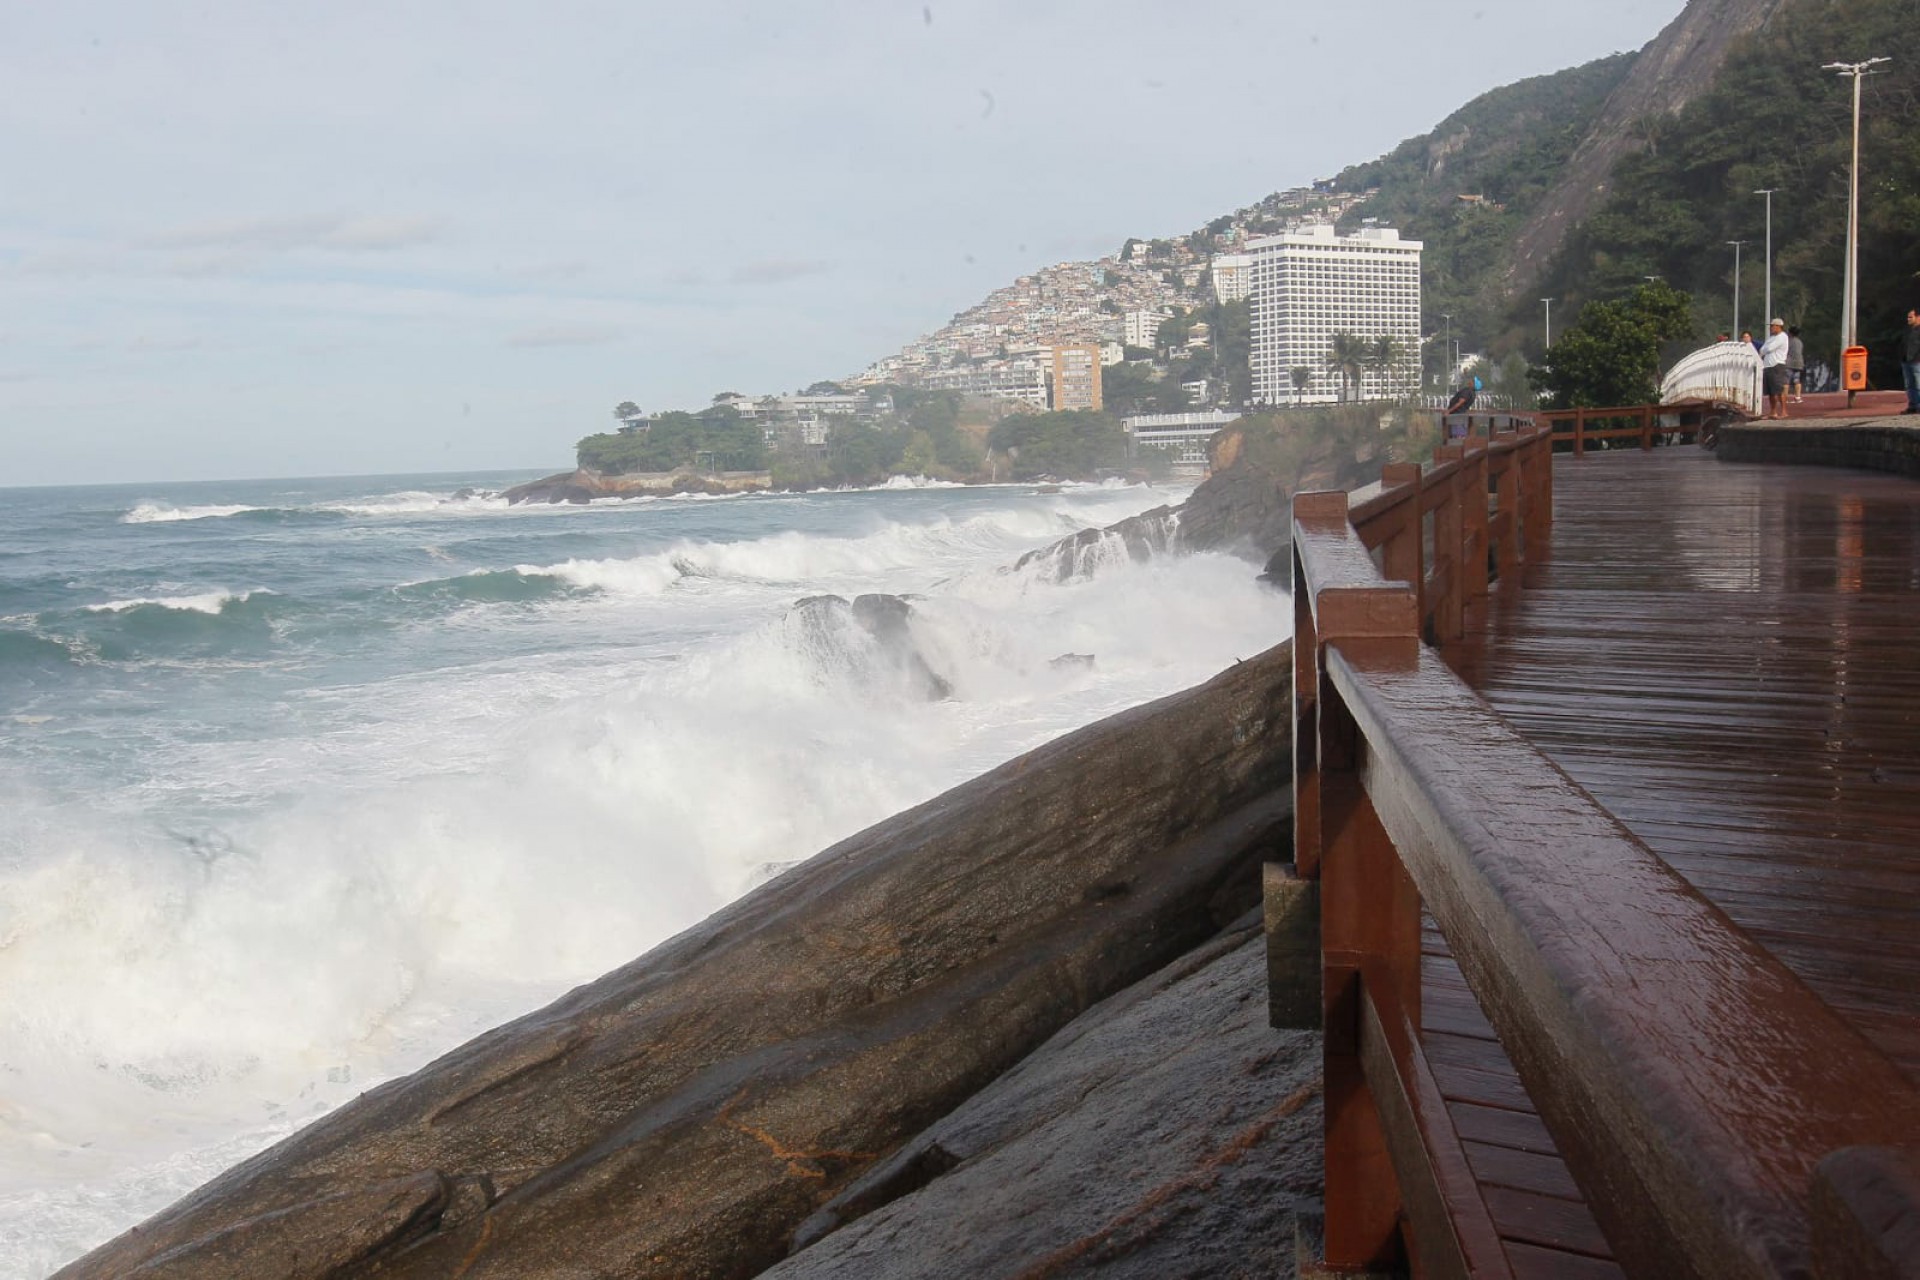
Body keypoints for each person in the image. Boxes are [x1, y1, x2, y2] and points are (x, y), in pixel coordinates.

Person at [1759, 318, 1790, 419]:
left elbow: (1769, 348)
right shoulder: (1771, 338)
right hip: (1767, 366)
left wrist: (1765, 350)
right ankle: (1773, 412)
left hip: (1777, 365)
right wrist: (1764, 350)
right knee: (1771, 392)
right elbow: (1762, 349)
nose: (1771, 328)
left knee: (1779, 390)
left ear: (1779, 326)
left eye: (1773, 326)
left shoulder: (1782, 337)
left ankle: (1784, 411)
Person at [1904, 309, 1920, 415]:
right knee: (1909, 385)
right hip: (1906, 361)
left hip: (1917, 361)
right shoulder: (1908, 330)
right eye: (1908, 317)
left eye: (1911, 317)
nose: (1908, 319)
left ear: (1918, 317)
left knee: (1918, 384)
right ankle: (1912, 405)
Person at [1786, 326, 1805, 403]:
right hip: (1799, 363)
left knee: (1786, 381)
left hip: (1789, 364)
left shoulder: (1788, 341)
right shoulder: (1800, 342)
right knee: (1797, 380)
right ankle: (1798, 397)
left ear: (1790, 333)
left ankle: (1785, 398)